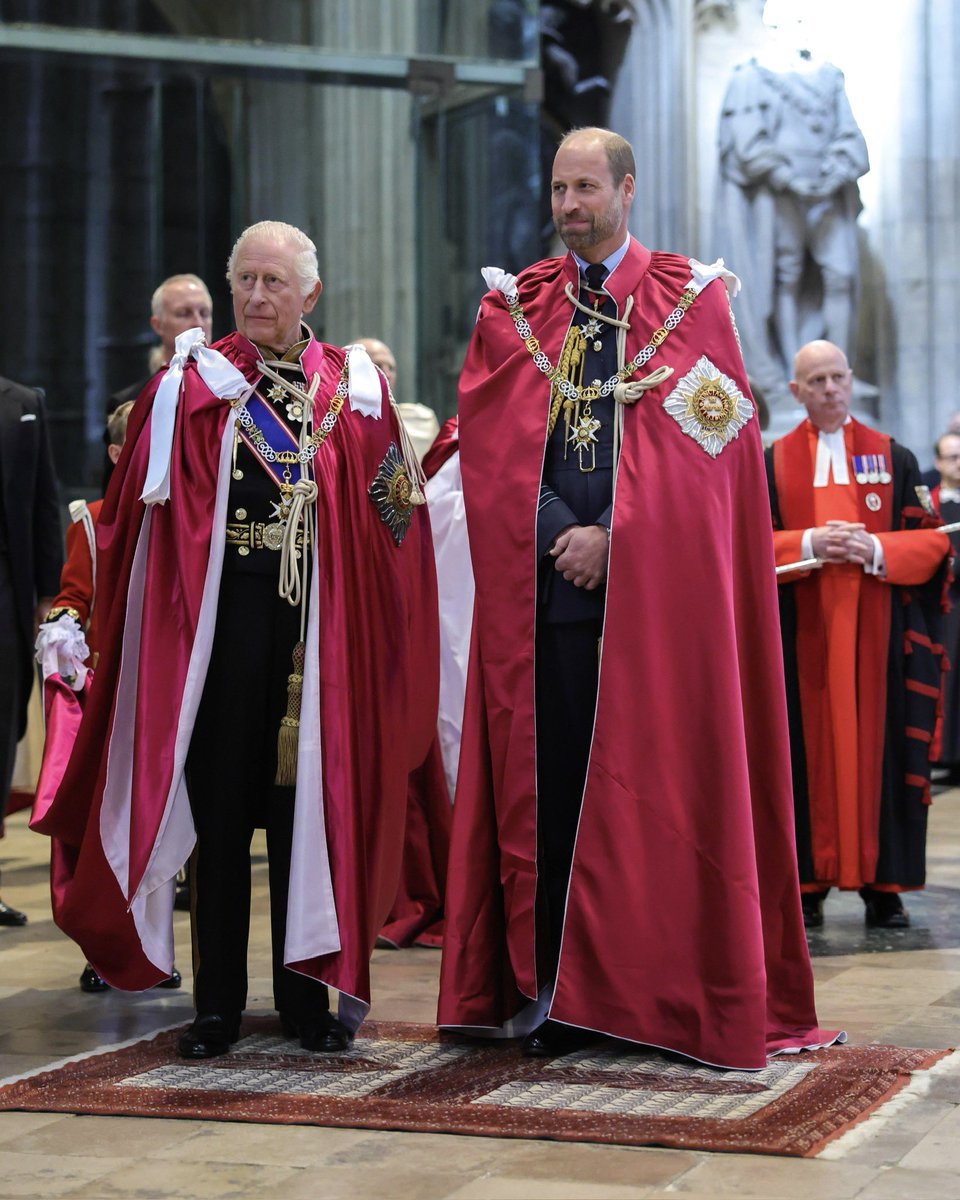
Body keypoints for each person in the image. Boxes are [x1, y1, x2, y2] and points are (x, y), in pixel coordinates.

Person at [438, 126, 835, 1070]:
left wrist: (619, 538)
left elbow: (716, 457)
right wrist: (554, 534)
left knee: (650, 798)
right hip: (548, 603)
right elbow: (485, 446)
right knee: (556, 799)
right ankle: (554, 995)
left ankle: (650, 989)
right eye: (557, 189)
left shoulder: (693, 303)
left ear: (626, 190)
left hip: (653, 611)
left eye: (585, 188)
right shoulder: (517, 308)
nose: (567, 206)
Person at [32, 221, 438, 1058]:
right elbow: (139, 523)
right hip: (217, 638)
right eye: (245, 280)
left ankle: (304, 1003)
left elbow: (398, 518)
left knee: (304, 823)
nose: (256, 296)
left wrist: (378, 623)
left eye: (274, 283)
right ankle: (216, 1003)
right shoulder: (192, 384)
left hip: (315, 643)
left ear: (310, 296)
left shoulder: (353, 391)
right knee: (220, 824)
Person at [766, 340, 949, 929]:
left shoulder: (893, 456)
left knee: (888, 749)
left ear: (851, 380)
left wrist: (873, 547)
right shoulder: (771, 463)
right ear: (796, 392)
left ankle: (883, 886)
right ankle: (806, 884)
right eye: (815, 381)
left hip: (880, 640)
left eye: (837, 377)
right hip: (801, 637)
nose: (829, 389)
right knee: (797, 751)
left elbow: (933, 542)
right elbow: (743, 545)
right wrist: (809, 544)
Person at [33, 400, 182, 992]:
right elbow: (74, 597)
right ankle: (103, 952)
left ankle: (158, 953)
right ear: (120, 453)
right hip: (107, 705)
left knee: (159, 835)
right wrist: (63, 633)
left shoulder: (176, 515)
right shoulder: (92, 521)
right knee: (104, 834)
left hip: (163, 702)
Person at [714, 1, 869, 405]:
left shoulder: (829, 76)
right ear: (775, 25)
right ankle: (794, 372)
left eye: (808, 21)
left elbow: (848, 133)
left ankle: (837, 366)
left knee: (841, 275)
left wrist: (832, 174)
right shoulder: (753, 76)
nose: (804, 30)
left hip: (827, 194)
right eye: (796, 21)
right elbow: (747, 142)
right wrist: (790, 178)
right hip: (782, 193)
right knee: (786, 277)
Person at [0, 376, 62, 926]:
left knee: (2, 731)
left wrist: (49, 593)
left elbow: (45, 501)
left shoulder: (24, 404)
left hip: (6, 594)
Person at [355, 337, 439, 461]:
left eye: (391, 368)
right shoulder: (333, 422)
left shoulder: (421, 422)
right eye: (378, 366)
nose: (387, 374)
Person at [932, 433, 960, 779]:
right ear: (938, 462)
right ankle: (947, 754)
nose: (958, 463)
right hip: (947, 602)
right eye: (952, 457)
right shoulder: (932, 503)